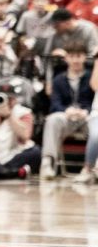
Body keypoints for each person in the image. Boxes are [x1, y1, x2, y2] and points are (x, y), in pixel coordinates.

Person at [40, 44, 94, 179]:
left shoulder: (92, 78)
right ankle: (47, 162)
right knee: (52, 120)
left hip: (87, 117)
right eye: (72, 56)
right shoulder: (58, 79)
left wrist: (86, 111)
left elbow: (95, 100)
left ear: (84, 58)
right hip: (66, 117)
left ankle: (93, 168)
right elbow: (55, 104)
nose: (75, 60)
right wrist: (66, 110)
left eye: (79, 56)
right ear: (66, 59)